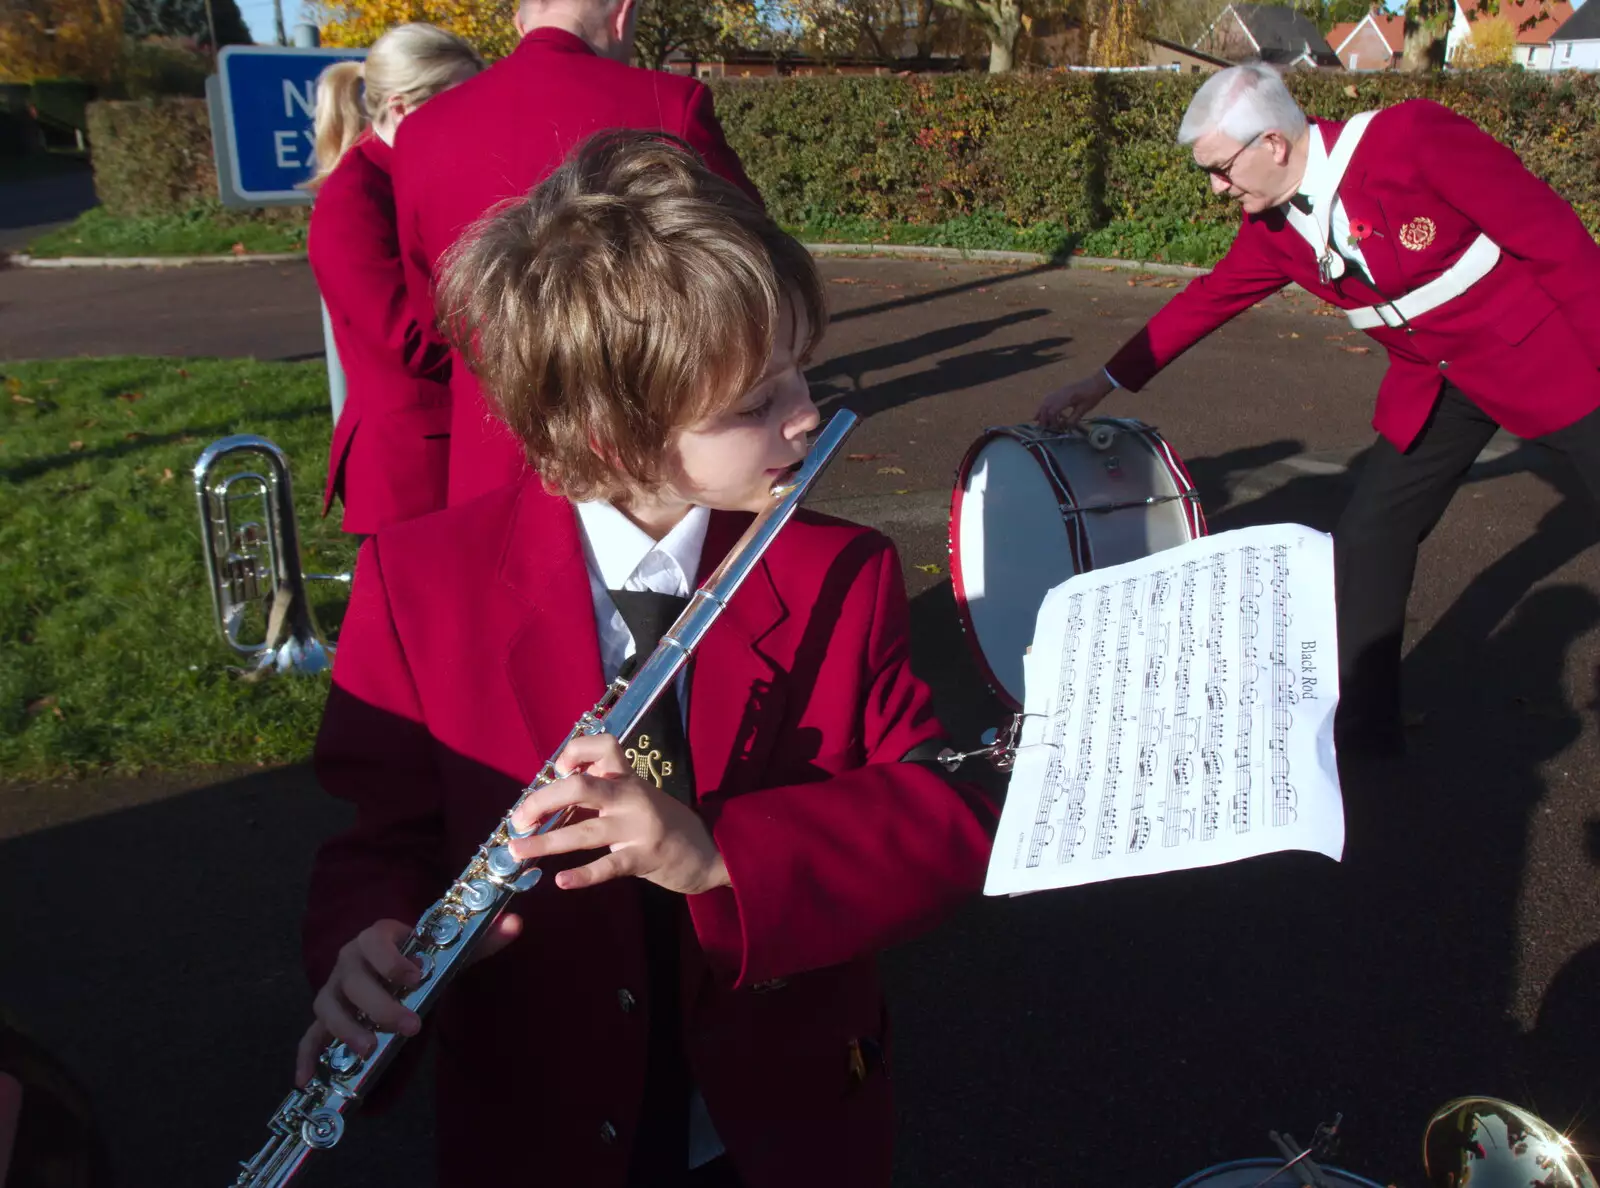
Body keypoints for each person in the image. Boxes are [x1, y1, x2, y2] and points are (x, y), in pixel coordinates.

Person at [296, 131, 994, 1188]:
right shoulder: (419, 581)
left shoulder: (838, 571)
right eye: (755, 401)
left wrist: (719, 858)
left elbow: (939, 829)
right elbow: (376, 836)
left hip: (780, 1116)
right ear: (611, 433)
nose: (805, 413)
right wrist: (370, 937)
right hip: (539, 1120)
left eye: (801, 367)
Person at [1036, 63, 1600, 759]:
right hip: (1437, 381)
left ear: (1273, 143)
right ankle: (1363, 736)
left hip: (1545, 357)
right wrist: (1100, 383)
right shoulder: (1273, 230)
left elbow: (1553, 237)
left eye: (1220, 168)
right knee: (1369, 536)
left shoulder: (1413, 138)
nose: (1216, 187)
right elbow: (1204, 302)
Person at [389, 0, 761, 507]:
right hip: (642, 434)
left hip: (490, 440)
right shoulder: (669, 101)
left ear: (522, 20)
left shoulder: (421, 130)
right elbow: (752, 269)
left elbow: (432, 309)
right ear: (622, 14)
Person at [304, 25, 483, 536]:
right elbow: (406, 340)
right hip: (410, 470)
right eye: (458, 105)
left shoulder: (420, 174)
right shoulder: (353, 201)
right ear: (403, 108)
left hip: (450, 447)